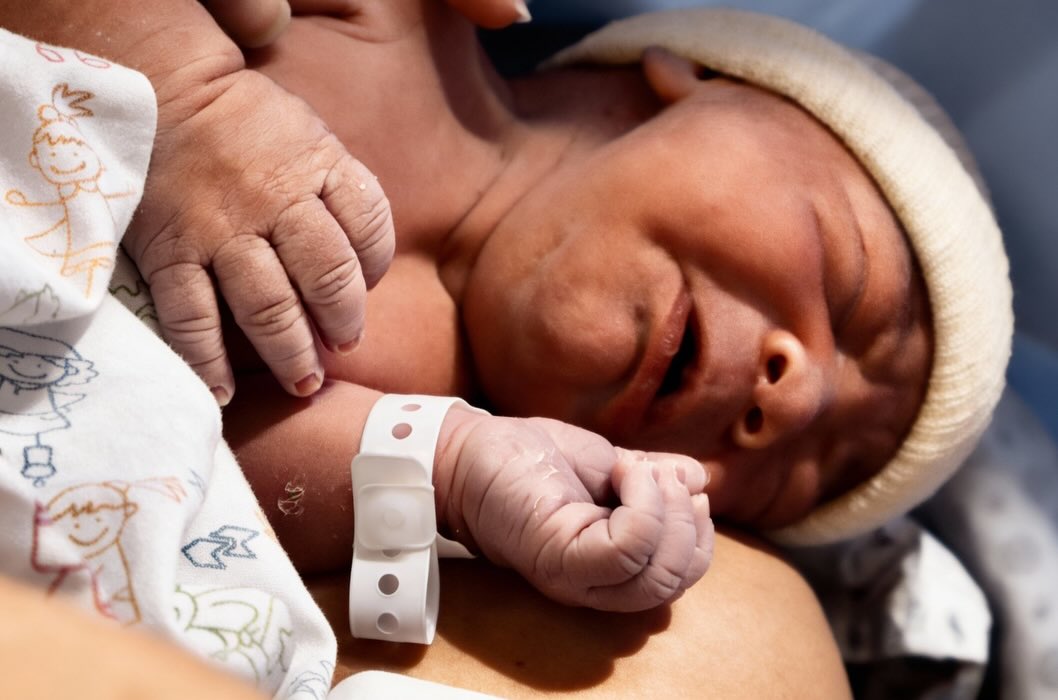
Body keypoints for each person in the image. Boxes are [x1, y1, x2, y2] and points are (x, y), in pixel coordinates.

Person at [220, 0, 1011, 594]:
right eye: (849, 282)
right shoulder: (400, 23)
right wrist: (182, 66)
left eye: (799, 474)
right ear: (701, 77)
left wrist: (446, 474)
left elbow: (197, 472)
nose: (795, 401)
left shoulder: (410, 419)